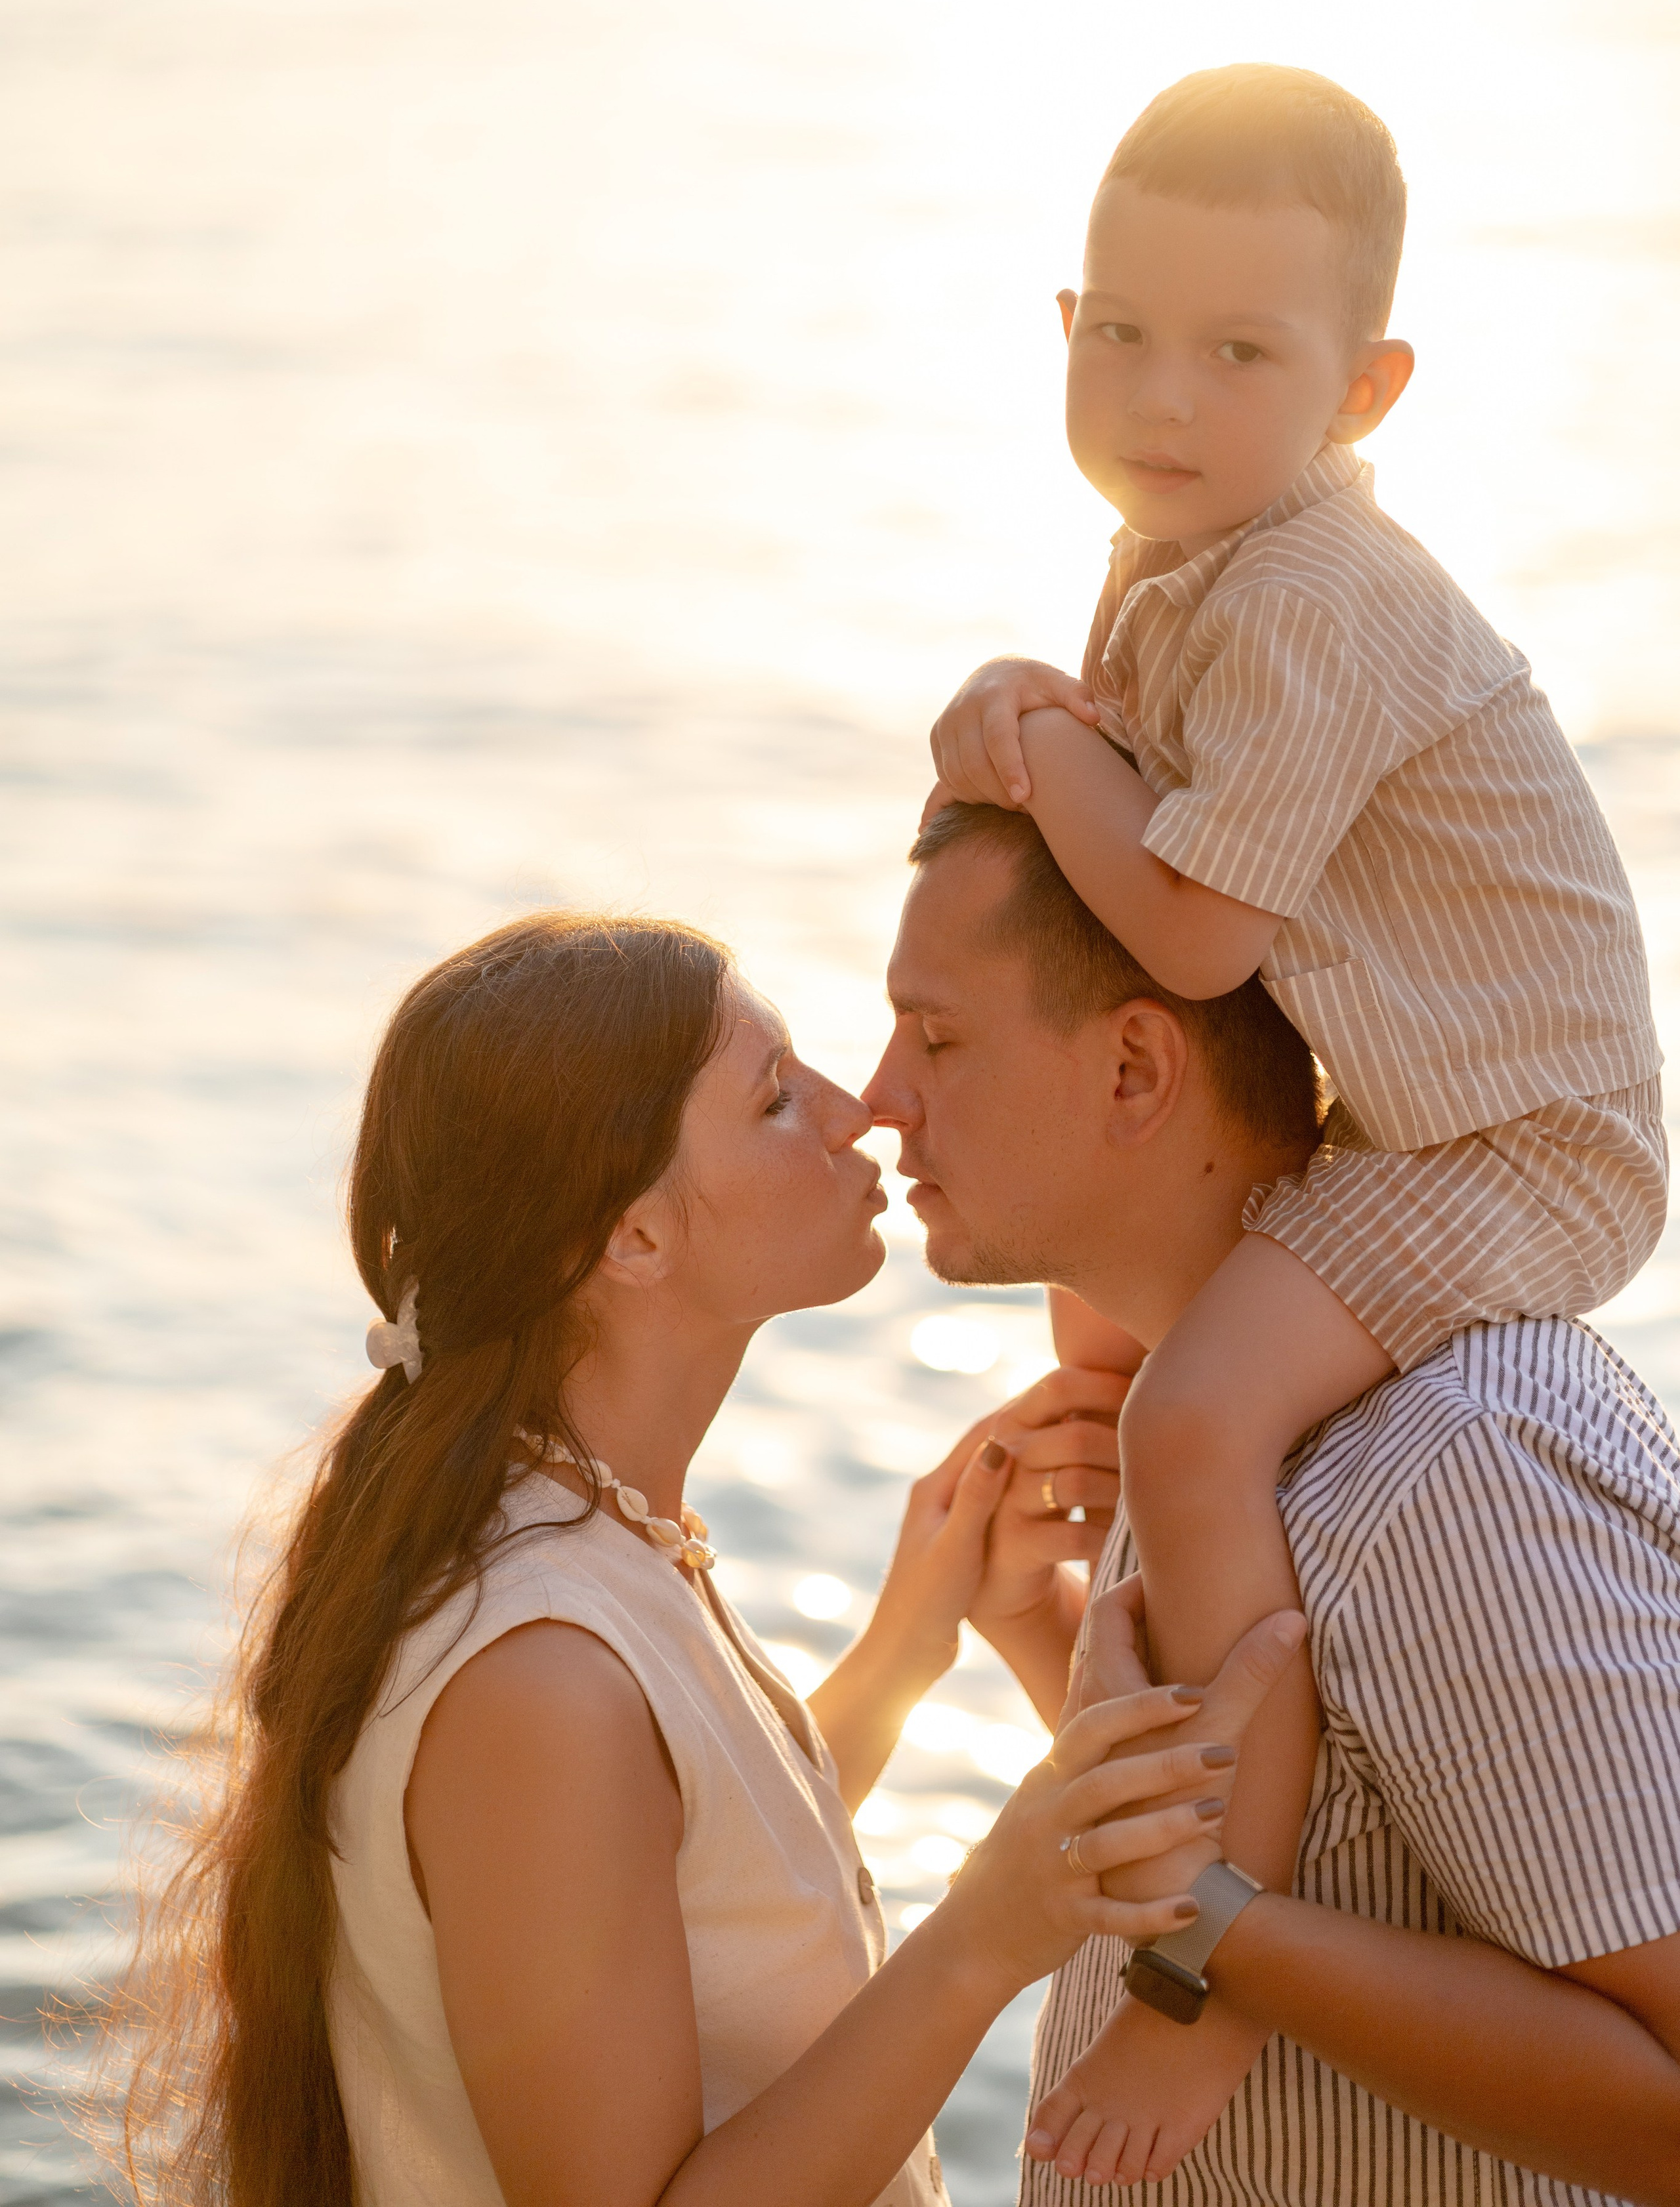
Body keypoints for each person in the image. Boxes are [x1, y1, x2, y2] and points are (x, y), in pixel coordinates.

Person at [921, 63, 1668, 2159]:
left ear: (1367, 389)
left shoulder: (1320, 592)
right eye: (1126, 337)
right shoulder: (1176, 555)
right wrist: (1035, 713)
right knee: (1117, 1361)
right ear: (1065, 330)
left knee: (1194, 1419)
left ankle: (1195, 1964)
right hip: (1422, 1099)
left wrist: (1027, 735)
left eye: (1243, 353)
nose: (1168, 395)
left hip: (1517, 1134)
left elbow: (1191, 937)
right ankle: (1150, 1769)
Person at [108, 907, 1305, 2207]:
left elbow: (683, 1895)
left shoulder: (582, 1538)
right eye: (777, 1097)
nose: (859, 1110)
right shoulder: (540, 1677)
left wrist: (909, 1644)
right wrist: (989, 1929)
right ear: (632, 1238)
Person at [863, 802, 1680, 2200]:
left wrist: (1207, 1932)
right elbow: (1325, 1810)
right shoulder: (1211, 1434)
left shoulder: (1444, 1472)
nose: (879, 1094)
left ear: (1134, 1069)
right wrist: (1043, 1635)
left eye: (935, 1039)